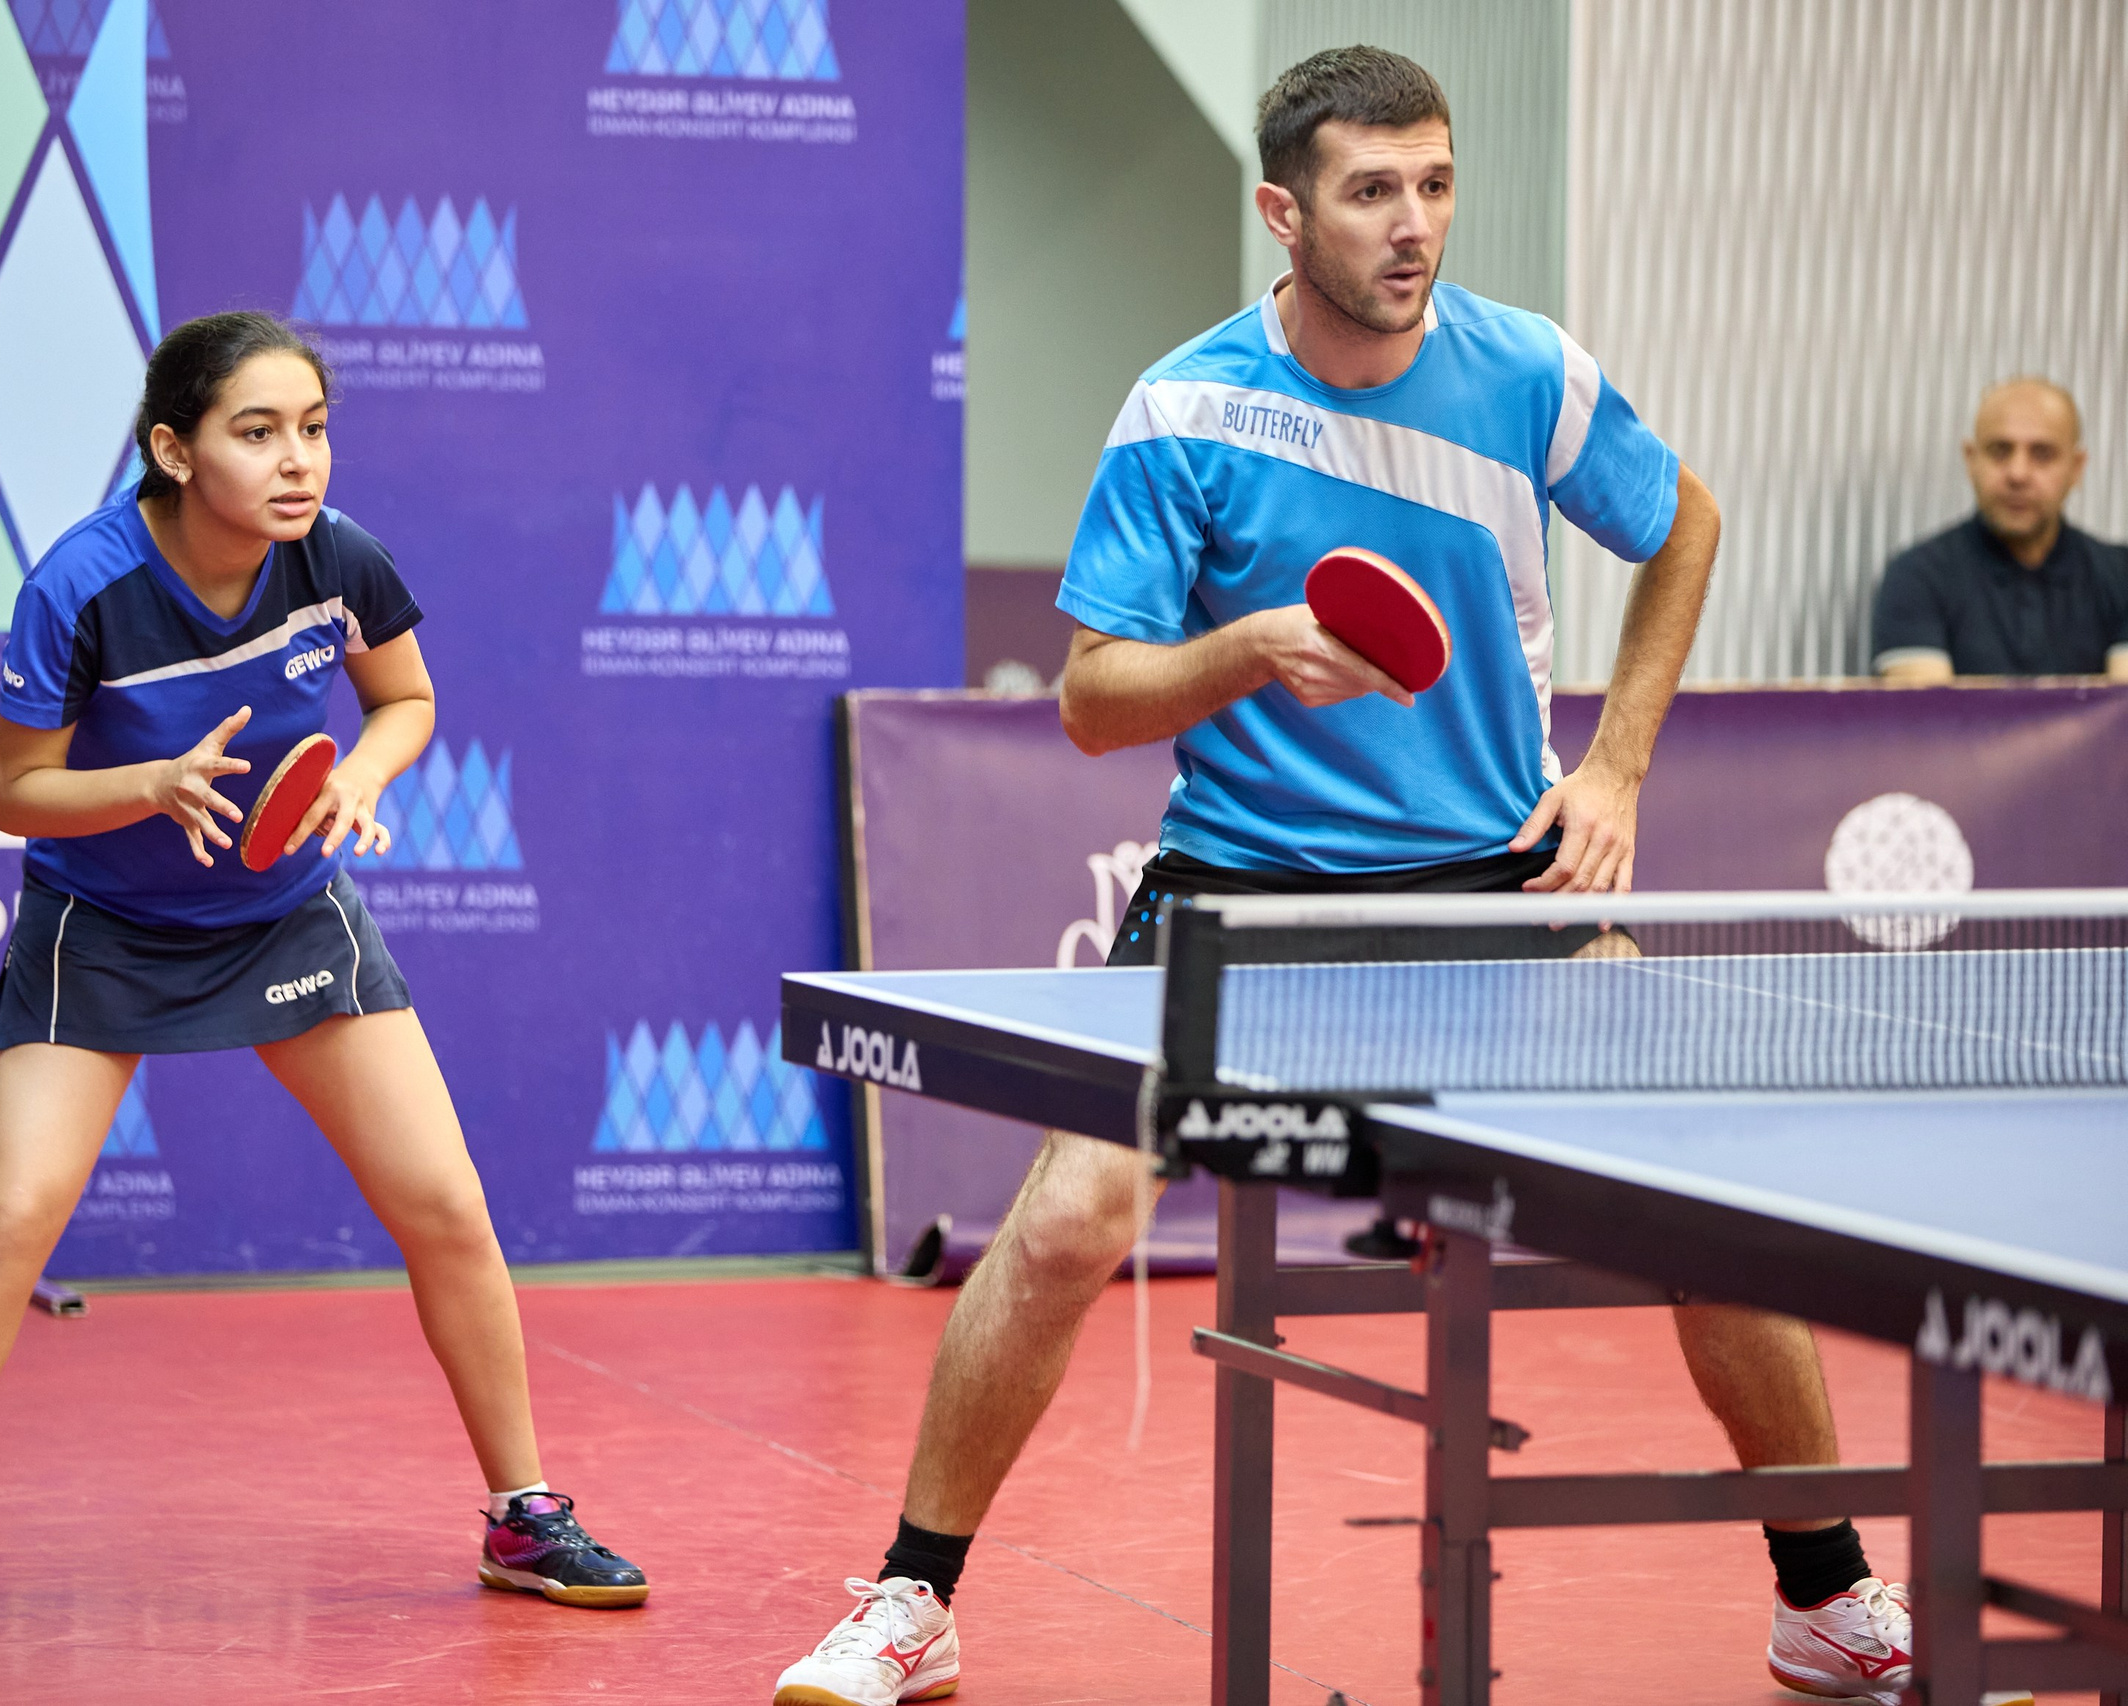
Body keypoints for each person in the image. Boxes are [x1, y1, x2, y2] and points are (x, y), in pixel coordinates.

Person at [774, 48, 1967, 1706]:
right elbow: (1090, 700)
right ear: (1283, 208)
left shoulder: (1525, 372)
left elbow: (1683, 521)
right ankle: (915, 1597)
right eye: (1371, 190)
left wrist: (1614, 766)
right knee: (1067, 1220)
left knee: (1722, 1198)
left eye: (1436, 182)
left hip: (1494, 881)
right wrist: (1244, 652)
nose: (1415, 224)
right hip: (1240, 889)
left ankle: (1822, 1599)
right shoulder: (1185, 409)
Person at [0, 311, 647, 1655]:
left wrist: (365, 776)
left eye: (313, 429)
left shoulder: (337, 560)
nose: (296, 461)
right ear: (172, 447)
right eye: (256, 432)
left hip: (285, 914)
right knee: (12, 1209)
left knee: (444, 1200)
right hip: (104, 922)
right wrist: (149, 783)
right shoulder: (82, 585)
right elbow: (12, 790)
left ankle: (522, 1511)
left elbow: (406, 700)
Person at [1872, 376, 2128, 682]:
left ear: (2076, 468)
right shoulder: (1917, 576)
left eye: (2042, 454)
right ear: (1971, 459)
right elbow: (1929, 720)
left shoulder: (2120, 575)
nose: (2018, 474)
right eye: (1999, 450)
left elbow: (2120, 717)